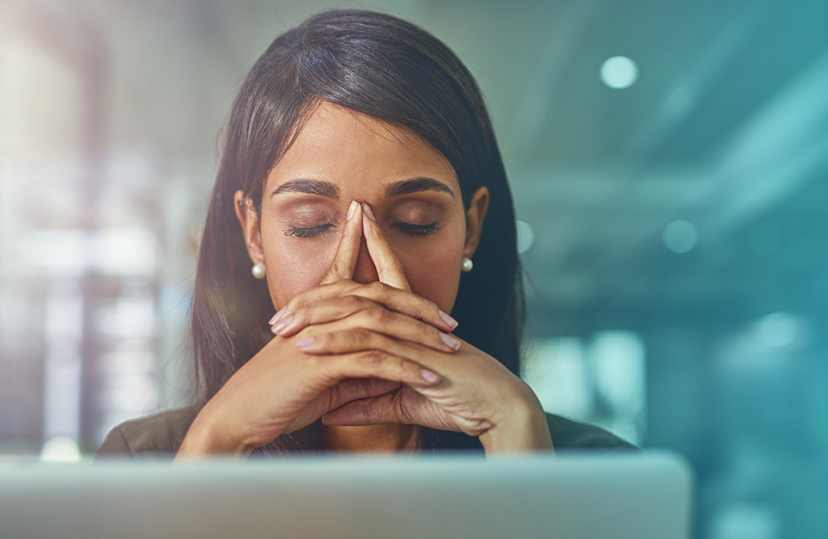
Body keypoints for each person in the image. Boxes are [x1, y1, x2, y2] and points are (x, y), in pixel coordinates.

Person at [98, 9, 632, 458]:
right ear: (255, 233)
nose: (363, 271)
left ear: (470, 229)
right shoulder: (150, 458)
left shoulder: (590, 467)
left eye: (414, 222)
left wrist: (516, 435)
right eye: (310, 225)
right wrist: (217, 443)